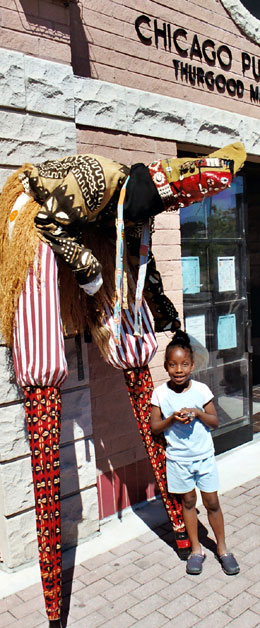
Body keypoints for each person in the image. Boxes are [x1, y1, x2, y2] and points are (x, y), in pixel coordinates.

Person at [150, 329, 240, 576]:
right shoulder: (160, 394)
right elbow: (154, 426)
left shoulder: (200, 390)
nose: (179, 370)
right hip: (178, 460)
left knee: (212, 502)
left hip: (203, 457)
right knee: (188, 503)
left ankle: (222, 549)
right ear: (166, 367)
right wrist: (172, 418)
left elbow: (214, 421)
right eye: (173, 365)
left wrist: (198, 412)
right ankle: (196, 550)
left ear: (192, 365)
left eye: (184, 364)